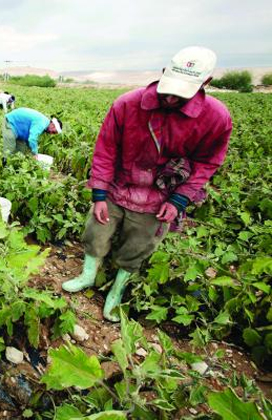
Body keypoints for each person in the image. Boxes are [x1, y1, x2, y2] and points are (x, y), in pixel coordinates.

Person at [61, 46, 232, 322]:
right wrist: (100, 193)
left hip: (159, 196)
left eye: (182, 92)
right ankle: (88, 275)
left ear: (206, 83)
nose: (171, 97)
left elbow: (208, 163)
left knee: (139, 245)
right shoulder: (127, 104)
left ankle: (116, 291)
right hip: (119, 186)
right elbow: (105, 149)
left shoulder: (215, 118)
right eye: (169, 88)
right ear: (164, 73)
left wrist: (180, 198)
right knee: (96, 231)